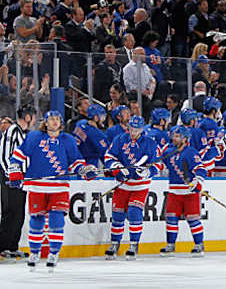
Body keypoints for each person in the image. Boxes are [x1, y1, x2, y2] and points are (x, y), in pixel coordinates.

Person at [8, 110, 96, 270]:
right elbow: (17, 156)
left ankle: (54, 253)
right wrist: (14, 170)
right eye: (51, 119)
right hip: (37, 186)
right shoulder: (34, 137)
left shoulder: (68, 140)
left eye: (57, 119)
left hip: (59, 186)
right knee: (36, 221)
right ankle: (34, 252)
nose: (55, 122)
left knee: (57, 220)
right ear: (45, 122)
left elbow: (76, 161)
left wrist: (84, 170)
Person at [103, 116, 162, 260]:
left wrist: (149, 172)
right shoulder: (120, 139)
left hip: (140, 186)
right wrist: (117, 169)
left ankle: (134, 244)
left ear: (142, 129)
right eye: (131, 129)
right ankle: (115, 243)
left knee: (135, 213)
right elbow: (109, 157)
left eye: (137, 129)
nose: (133, 132)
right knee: (117, 215)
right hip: (123, 185)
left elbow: (158, 164)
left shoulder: (150, 143)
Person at [159, 126, 209, 257]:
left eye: (177, 136)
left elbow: (201, 169)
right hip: (174, 192)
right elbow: (159, 164)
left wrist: (197, 182)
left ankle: (199, 244)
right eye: (173, 136)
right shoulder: (168, 151)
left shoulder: (191, 152)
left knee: (193, 220)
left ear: (185, 139)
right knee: (171, 219)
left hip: (189, 194)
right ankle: (170, 245)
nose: (174, 139)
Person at [0, 113, 28, 260]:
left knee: (19, 213)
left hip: (22, 180)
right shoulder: (13, 130)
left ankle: (12, 246)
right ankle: (3, 246)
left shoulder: (23, 134)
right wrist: (9, 174)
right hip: (10, 179)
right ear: (29, 117)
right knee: (10, 212)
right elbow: (4, 155)